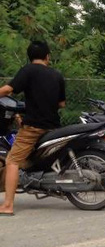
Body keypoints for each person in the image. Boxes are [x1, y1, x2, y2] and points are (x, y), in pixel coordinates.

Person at [0, 41, 65, 216]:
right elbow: (62, 103)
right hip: (53, 127)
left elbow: (8, 90)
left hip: (33, 128)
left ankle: (7, 205)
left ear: (29, 57)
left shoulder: (28, 70)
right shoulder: (56, 74)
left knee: (12, 161)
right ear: (47, 56)